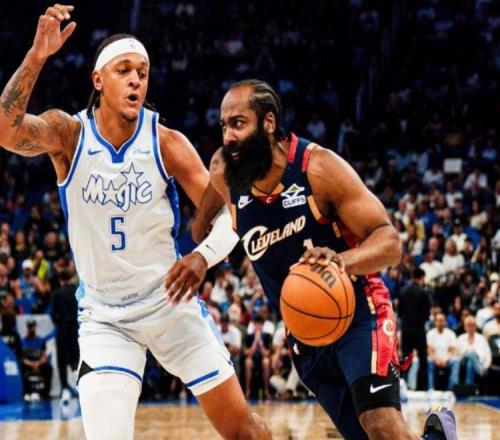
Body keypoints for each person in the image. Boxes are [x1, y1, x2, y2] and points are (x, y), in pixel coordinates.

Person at [0, 6, 268, 439]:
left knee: (246, 432)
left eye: (142, 72)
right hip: (105, 318)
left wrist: (201, 258)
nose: (136, 80)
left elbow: (229, 214)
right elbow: (6, 131)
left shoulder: (166, 143)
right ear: (98, 80)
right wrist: (36, 57)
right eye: (123, 70)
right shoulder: (68, 135)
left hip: (169, 303)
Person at [186, 79, 457, 439]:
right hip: (304, 331)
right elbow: (207, 206)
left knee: (380, 426)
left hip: (359, 312)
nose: (228, 136)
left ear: (269, 123)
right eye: (223, 126)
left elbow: (390, 241)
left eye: (238, 123)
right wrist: (200, 230)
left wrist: (342, 261)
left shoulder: (318, 168)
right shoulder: (226, 170)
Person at [399, 268, 430, 390]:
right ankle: (423, 388)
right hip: (419, 330)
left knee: (406, 360)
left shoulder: (403, 291)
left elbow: (399, 312)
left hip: (406, 330)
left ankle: (403, 387)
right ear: (421, 277)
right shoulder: (423, 292)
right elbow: (427, 313)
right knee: (423, 360)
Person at [50, 269, 79, 404]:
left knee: (62, 361)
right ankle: (78, 384)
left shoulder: (56, 294)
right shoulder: (76, 292)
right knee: (75, 358)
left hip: (62, 330)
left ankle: (65, 390)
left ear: (61, 280)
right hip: (75, 329)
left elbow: (53, 315)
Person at [426, 313, 460, 390]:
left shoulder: (451, 334)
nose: (440, 323)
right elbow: (429, 350)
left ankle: (452, 389)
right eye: (438, 320)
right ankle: (430, 388)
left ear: (445, 322)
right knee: (428, 361)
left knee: (456, 360)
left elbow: (453, 350)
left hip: (447, 359)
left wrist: (445, 359)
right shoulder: (430, 334)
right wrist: (436, 360)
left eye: (442, 320)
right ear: (435, 322)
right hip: (434, 359)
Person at [21, 319, 52, 400]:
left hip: (39, 363)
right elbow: (22, 358)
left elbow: (44, 356)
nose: (31, 329)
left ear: (35, 327)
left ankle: (45, 393)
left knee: (48, 368)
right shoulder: (22, 342)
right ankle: (26, 392)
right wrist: (32, 364)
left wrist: (38, 363)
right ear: (27, 328)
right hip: (28, 364)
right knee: (21, 367)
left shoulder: (41, 341)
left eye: (32, 326)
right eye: (29, 327)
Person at [456, 316, 491, 386]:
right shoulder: (460, 338)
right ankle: (480, 370)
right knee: (471, 353)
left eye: (473, 325)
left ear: (476, 327)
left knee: (470, 363)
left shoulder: (482, 338)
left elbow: (488, 355)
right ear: (465, 327)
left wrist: (486, 366)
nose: (471, 327)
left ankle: (469, 388)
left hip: (479, 362)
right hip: (463, 362)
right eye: (469, 325)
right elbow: (456, 354)